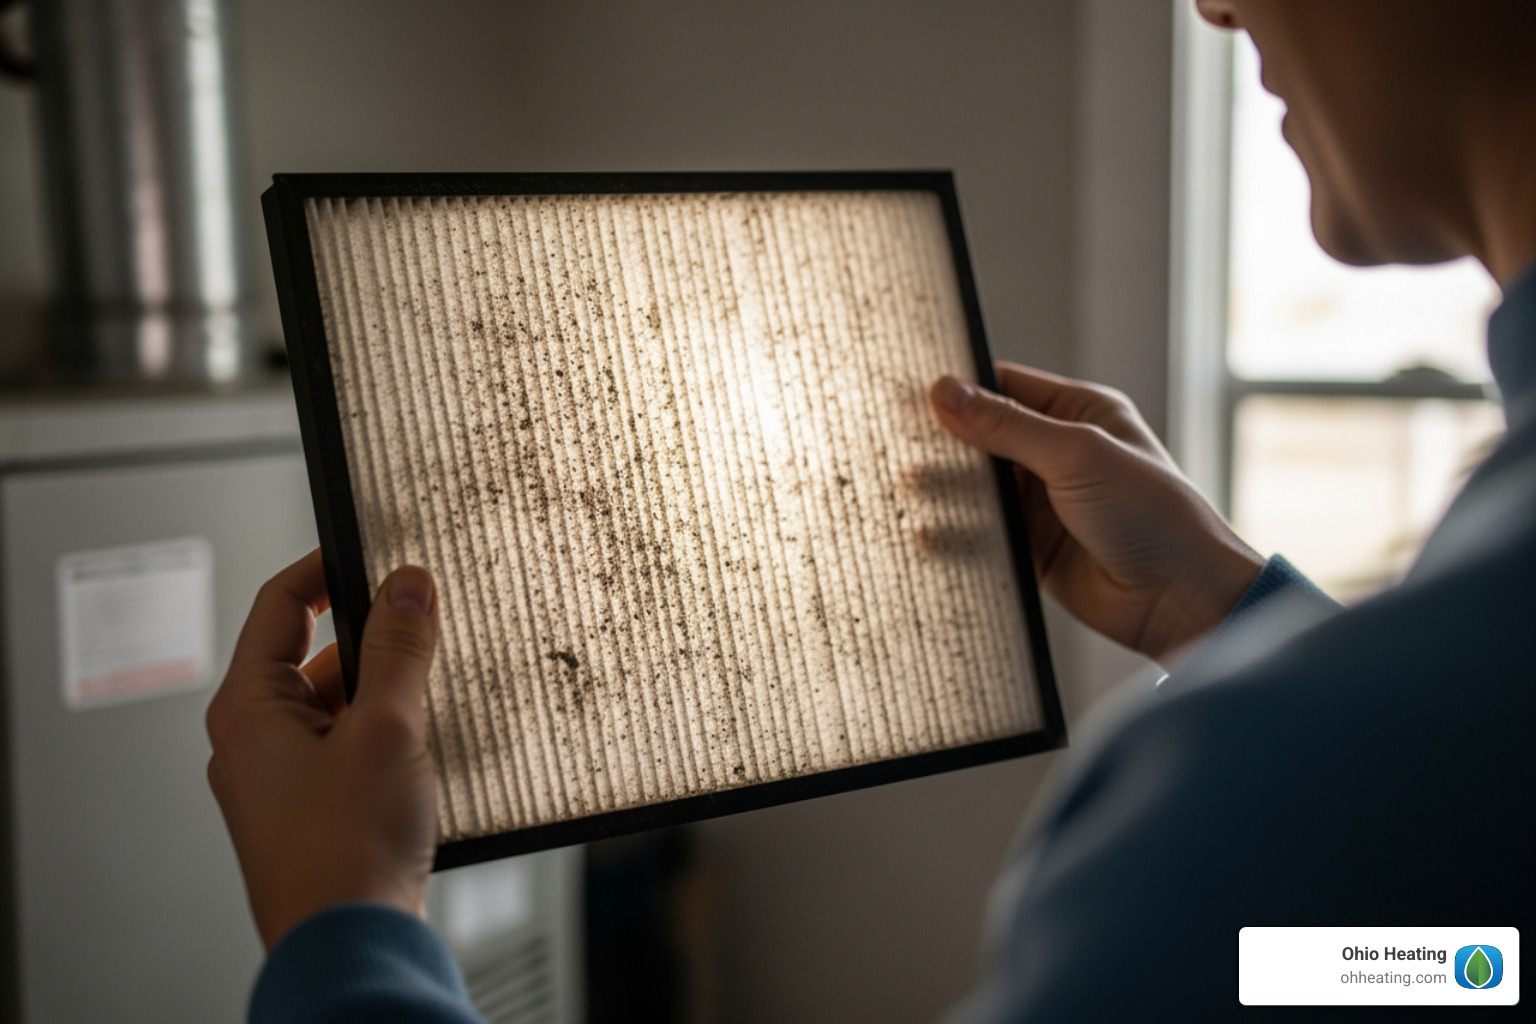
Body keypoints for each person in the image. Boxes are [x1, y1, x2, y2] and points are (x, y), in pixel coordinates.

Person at [205, 0, 1535, 1019]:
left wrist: (345, 927)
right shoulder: (1379, 821)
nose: (1216, 6)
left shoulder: (1266, 820)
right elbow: (1458, 971)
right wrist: (1223, 610)